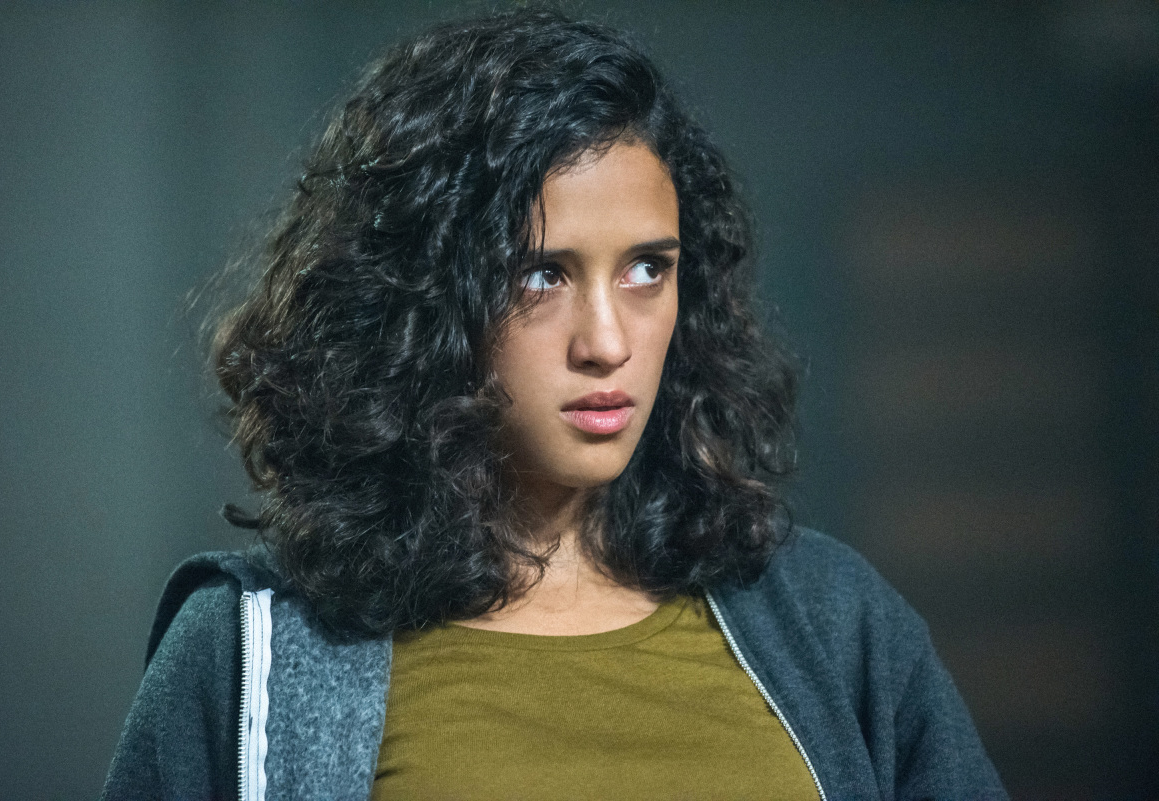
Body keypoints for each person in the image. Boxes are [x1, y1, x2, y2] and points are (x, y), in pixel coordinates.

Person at [102, 8, 1006, 800]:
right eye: (540, 275)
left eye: (646, 269)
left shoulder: (833, 621)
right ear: (421, 302)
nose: (607, 341)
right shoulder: (251, 655)